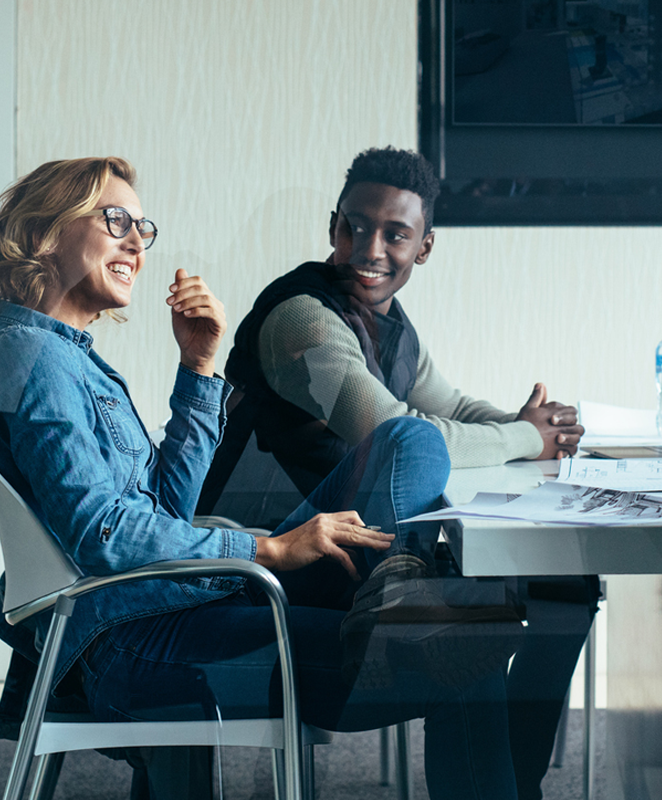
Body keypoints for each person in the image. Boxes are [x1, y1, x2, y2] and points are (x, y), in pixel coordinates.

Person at [0, 156, 521, 800]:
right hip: (140, 645)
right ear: (46, 229)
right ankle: (399, 607)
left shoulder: (61, 359)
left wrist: (198, 368)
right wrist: (267, 549)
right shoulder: (34, 359)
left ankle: (397, 593)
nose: (133, 243)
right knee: (464, 652)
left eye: (141, 228)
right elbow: (102, 533)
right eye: (113, 219)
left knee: (410, 441)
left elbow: (167, 512)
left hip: (173, 606)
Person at [197, 146, 598, 800]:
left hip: (348, 547)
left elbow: (452, 406)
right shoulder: (303, 318)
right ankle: (412, 617)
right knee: (464, 622)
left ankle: (515, 785)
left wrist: (530, 428)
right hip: (268, 557)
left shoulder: (387, 322)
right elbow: (400, 433)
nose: (370, 247)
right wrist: (523, 437)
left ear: (425, 246)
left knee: (567, 585)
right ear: (333, 227)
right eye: (355, 226)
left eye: (395, 234)